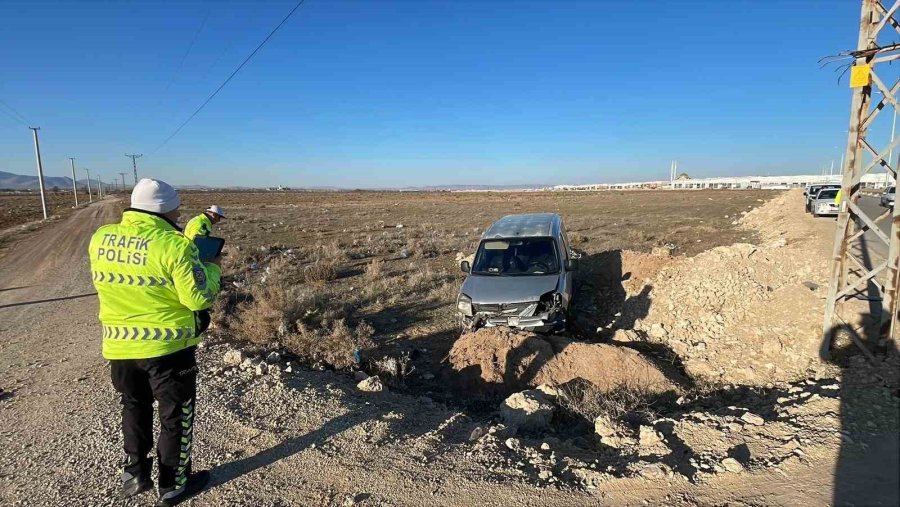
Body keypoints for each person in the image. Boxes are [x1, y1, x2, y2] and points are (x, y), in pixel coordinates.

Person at [89, 178, 222, 506]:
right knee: (176, 414)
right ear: (167, 209)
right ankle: (173, 485)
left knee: (133, 406)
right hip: (168, 349)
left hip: (119, 347)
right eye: (176, 207)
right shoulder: (174, 244)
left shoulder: (101, 238)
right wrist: (212, 269)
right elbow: (198, 297)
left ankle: (135, 473)